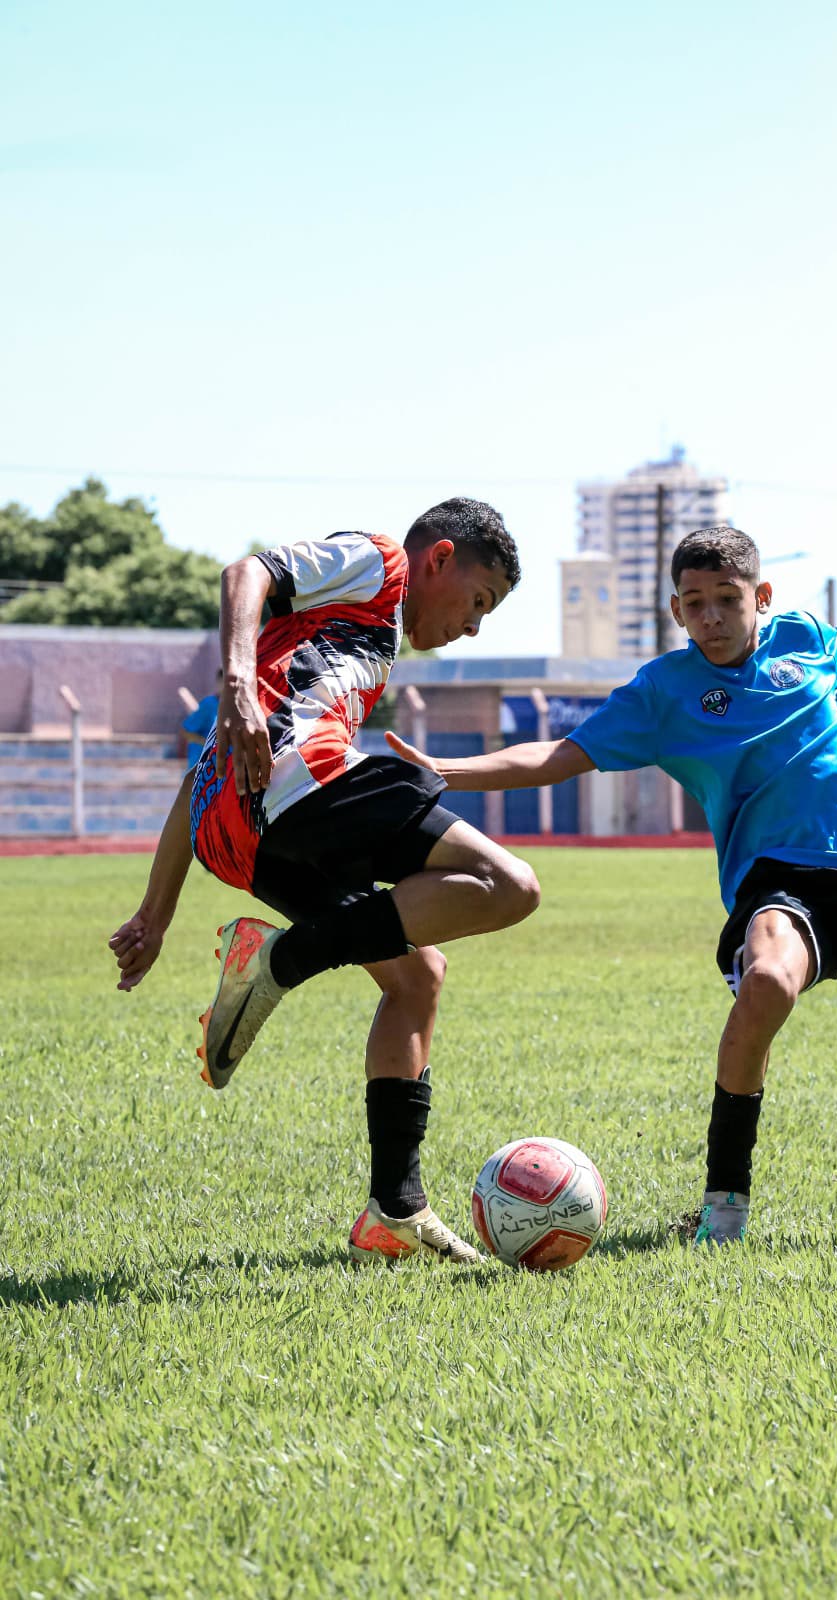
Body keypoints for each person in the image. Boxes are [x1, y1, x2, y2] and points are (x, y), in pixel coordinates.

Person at [385, 526, 837, 1250]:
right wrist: (446, 770)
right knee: (767, 980)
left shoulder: (802, 640)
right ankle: (724, 1204)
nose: (711, 617)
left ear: (762, 599)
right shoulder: (664, 693)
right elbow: (559, 754)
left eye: (727, 600)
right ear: (677, 611)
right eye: (695, 603)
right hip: (776, 881)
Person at [109, 499, 540, 1266]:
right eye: (479, 602)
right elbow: (248, 570)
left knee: (416, 976)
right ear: (439, 559)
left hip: (248, 837)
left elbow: (201, 780)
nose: (473, 626)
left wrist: (155, 914)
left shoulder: (325, 649)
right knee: (510, 885)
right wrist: (235, 676)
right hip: (302, 788)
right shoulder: (383, 562)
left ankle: (394, 1211)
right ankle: (279, 963)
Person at [179, 669, 223, 770]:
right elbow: (185, 732)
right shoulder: (209, 704)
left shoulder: (235, 706)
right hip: (201, 768)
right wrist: (210, 745)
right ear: (219, 681)